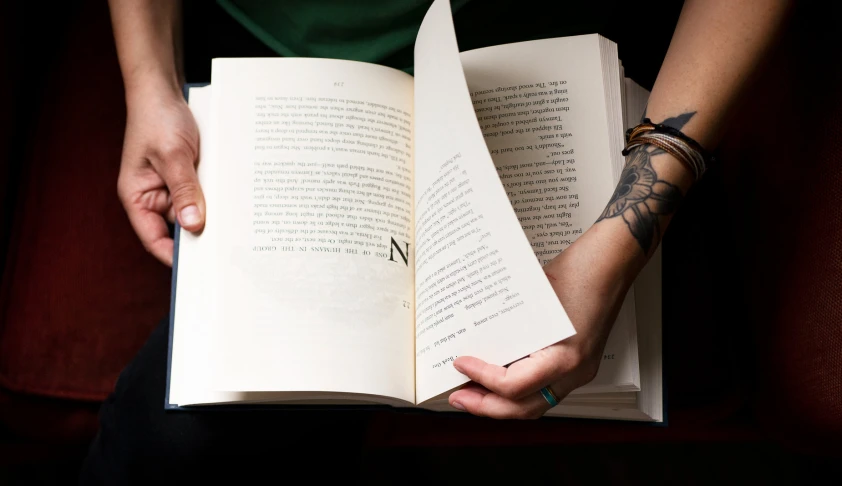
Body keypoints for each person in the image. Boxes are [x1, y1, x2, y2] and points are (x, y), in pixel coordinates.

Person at [84, 0, 791, 482]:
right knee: (173, 443)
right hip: (286, 65)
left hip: (559, 57)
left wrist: (622, 241)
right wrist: (149, 83)